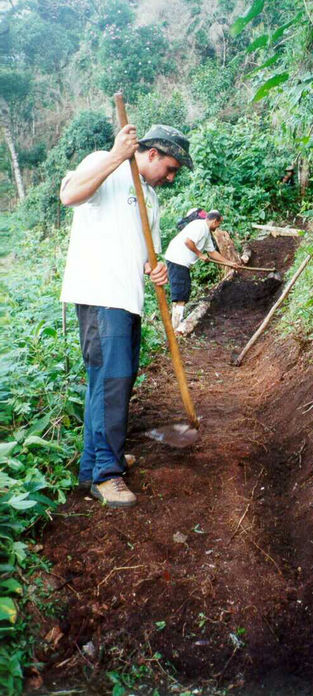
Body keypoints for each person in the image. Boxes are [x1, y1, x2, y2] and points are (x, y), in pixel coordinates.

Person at [60, 123, 194, 508]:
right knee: (111, 383)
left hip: (127, 297)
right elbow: (69, 195)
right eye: (170, 168)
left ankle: (97, 462)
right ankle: (106, 474)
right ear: (151, 154)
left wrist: (154, 270)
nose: (171, 177)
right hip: (102, 295)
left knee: (111, 381)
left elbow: (141, 251)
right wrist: (118, 154)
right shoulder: (106, 163)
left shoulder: (148, 195)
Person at [164, 210, 237, 331]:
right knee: (181, 292)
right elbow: (188, 241)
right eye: (219, 224)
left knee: (182, 290)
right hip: (177, 259)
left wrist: (230, 263)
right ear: (214, 221)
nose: (218, 227)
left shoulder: (206, 232)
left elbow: (212, 252)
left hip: (180, 261)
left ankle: (175, 323)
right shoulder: (199, 226)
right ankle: (177, 326)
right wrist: (199, 254)